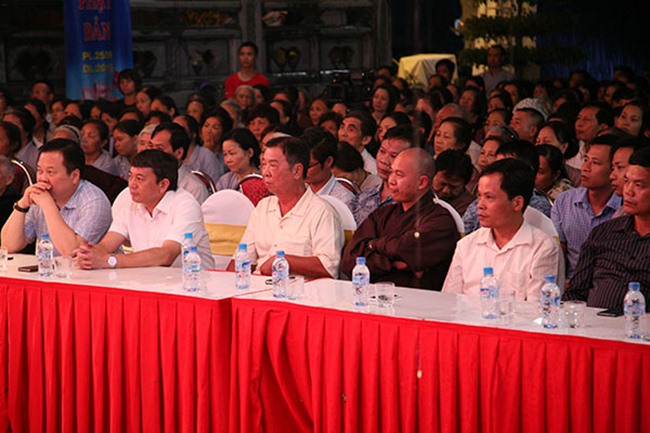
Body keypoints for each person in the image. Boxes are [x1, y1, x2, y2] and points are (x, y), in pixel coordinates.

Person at [443, 158, 564, 300]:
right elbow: (449, 301)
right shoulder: (466, 245)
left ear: (517, 203)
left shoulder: (542, 248)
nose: (480, 205)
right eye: (479, 196)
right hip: (467, 314)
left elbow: (538, 308)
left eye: (489, 197)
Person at [74, 150, 214, 270]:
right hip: (148, 282)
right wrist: (90, 255)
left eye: (140, 179)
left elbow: (166, 255)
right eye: (130, 176)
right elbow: (107, 244)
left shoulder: (186, 205)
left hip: (192, 284)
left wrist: (110, 261)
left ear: (163, 185)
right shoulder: (129, 200)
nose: (131, 184)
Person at [226, 136, 344, 278]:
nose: (265, 173)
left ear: (297, 171)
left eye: (273, 165)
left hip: (299, 289)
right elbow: (242, 258)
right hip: (258, 287)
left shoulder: (322, 212)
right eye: (263, 165)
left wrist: (283, 261)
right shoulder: (263, 207)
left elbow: (328, 267)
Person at [341, 148, 459, 289]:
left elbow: (406, 249)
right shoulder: (382, 214)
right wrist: (392, 264)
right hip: (375, 296)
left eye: (399, 174)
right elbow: (349, 260)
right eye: (391, 172)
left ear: (421, 182)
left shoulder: (440, 220)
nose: (391, 180)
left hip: (420, 300)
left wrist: (373, 244)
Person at [563, 147, 650, 308]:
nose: (628, 191)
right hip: (592, 320)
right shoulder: (603, 233)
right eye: (626, 182)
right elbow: (575, 293)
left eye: (638, 185)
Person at [1, 139, 112, 257]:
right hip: (46, 267)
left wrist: (48, 206)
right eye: (40, 171)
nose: (42, 178)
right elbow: (8, 246)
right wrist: (22, 205)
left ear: (74, 176)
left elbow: (72, 252)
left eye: (50, 172)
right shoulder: (40, 196)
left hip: (86, 268)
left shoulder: (95, 202)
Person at [551, 136, 622, 280]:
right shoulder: (565, 201)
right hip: (571, 283)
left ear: (613, 170)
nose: (585, 168)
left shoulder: (625, 207)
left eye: (595, 163)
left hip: (610, 284)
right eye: (585, 160)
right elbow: (558, 253)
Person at [353, 124, 415, 226]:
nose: (384, 160)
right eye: (382, 151)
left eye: (393, 156)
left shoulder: (411, 203)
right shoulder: (364, 196)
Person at [148, 122, 210, 203]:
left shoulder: (195, 188)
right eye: (151, 146)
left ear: (179, 153)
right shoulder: (145, 179)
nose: (152, 153)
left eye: (159, 149)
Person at [302, 127, 355, 211]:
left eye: (308, 166)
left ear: (328, 161)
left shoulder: (343, 201)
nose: (302, 171)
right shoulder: (298, 189)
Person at [215, 128, 269, 205]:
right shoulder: (224, 181)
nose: (228, 159)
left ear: (250, 152)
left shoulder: (264, 178)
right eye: (225, 154)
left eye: (232, 153)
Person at [433, 149, 475, 215]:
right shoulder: (420, 193)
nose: (445, 191)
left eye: (453, 187)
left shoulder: (469, 208)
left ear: (464, 184)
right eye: (442, 184)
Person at [338, 111, 378, 175]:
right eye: (342, 127)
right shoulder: (334, 156)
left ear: (366, 139)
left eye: (351, 130)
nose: (343, 133)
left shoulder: (372, 170)